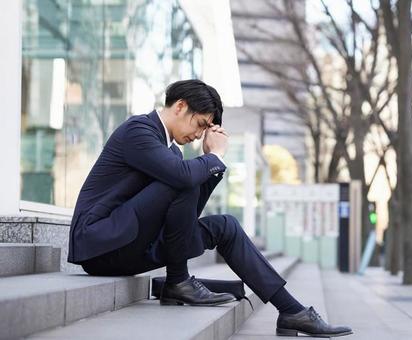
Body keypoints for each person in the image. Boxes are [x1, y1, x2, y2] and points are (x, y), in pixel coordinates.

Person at [67, 79, 352, 338]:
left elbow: (186, 213)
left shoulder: (173, 154)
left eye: (207, 129)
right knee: (186, 175)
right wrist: (214, 156)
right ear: (180, 106)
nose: (200, 134)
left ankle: (292, 311)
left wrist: (208, 164)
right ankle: (179, 281)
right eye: (201, 124)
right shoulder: (138, 130)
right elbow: (183, 179)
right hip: (100, 244)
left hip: (133, 244)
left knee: (225, 225)